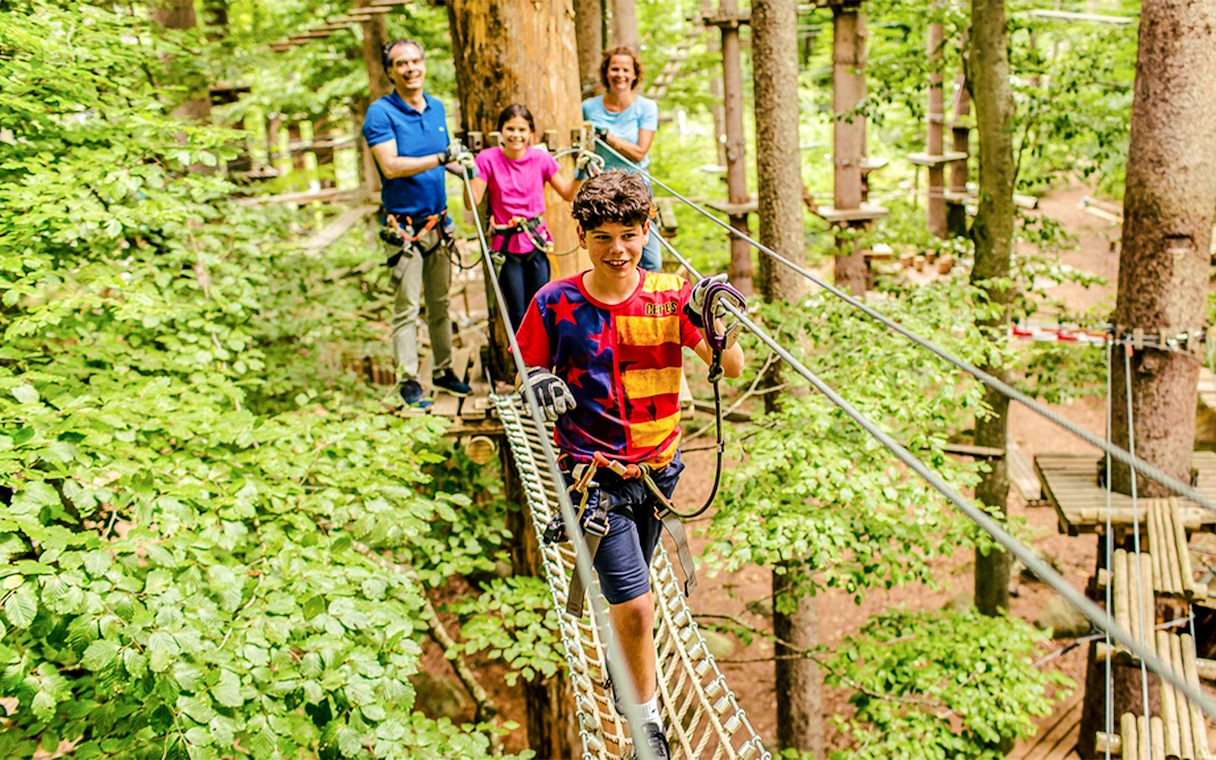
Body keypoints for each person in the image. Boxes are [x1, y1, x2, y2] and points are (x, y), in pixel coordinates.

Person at [515, 171, 745, 760]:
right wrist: (538, 382)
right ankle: (646, 727)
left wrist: (715, 320)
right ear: (582, 236)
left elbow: (734, 365)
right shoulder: (554, 302)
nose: (617, 249)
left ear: (647, 232)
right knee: (639, 609)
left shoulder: (670, 297)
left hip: (660, 477)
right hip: (595, 483)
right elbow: (527, 366)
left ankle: (625, 671)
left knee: (632, 595)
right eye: (602, 236)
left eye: (629, 234)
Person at [362, 38, 473, 410]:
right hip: (405, 230)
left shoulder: (437, 108)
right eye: (401, 63)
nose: (410, 68)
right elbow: (391, 165)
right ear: (390, 71)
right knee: (408, 307)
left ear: (423, 64)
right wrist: (442, 156)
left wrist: (467, 167)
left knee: (440, 303)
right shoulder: (380, 113)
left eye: (415, 61)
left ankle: (442, 370)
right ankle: (409, 379)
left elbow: (442, 162)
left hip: (438, 224)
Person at [466, 104, 577, 331]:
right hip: (506, 247)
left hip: (535, 242)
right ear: (501, 132)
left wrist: (581, 173)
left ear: (530, 133)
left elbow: (567, 192)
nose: (516, 135)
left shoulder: (541, 159)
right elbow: (471, 202)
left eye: (521, 130)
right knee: (517, 313)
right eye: (510, 129)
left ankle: (546, 363)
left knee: (543, 307)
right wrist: (469, 173)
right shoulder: (487, 159)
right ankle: (523, 365)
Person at [582, 46, 663, 272]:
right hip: (601, 190)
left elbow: (639, 152)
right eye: (614, 69)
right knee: (609, 252)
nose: (620, 74)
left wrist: (608, 137)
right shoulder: (588, 108)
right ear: (606, 73)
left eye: (626, 70)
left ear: (635, 74)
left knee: (651, 260)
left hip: (636, 187)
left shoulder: (646, 107)